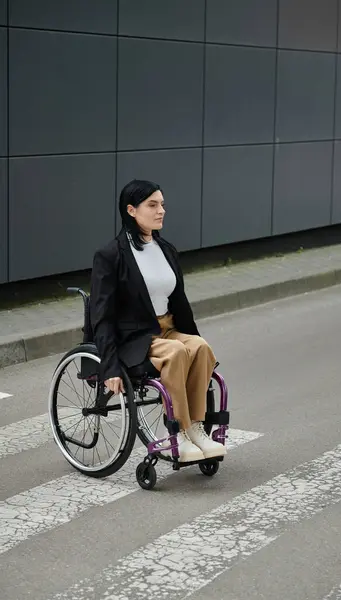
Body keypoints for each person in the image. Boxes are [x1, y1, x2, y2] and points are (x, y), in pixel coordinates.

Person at [90, 179, 227, 463]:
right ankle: (177, 433)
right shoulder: (111, 255)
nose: (161, 210)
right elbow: (102, 315)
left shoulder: (166, 249)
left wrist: (192, 338)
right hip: (133, 338)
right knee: (177, 352)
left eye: (162, 204)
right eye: (152, 205)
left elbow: (179, 300)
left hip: (167, 328)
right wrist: (110, 366)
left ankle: (196, 430)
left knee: (200, 347)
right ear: (131, 210)